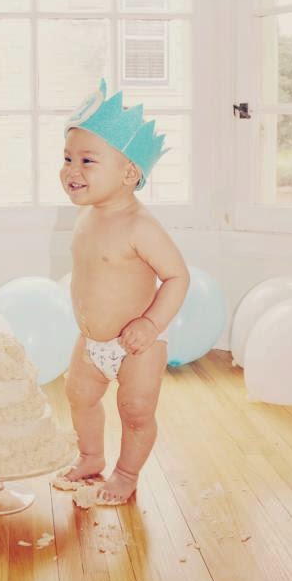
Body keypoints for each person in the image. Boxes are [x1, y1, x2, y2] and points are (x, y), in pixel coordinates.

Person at [54, 78, 190, 504]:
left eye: (87, 160)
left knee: (135, 411)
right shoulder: (88, 216)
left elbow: (177, 276)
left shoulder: (140, 226)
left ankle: (126, 474)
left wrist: (150, 324)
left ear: (129, 173)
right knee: (79, 397)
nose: (72, 170)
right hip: (91, 341)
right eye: (67, 158)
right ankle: (90, 456)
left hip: (137, 345)